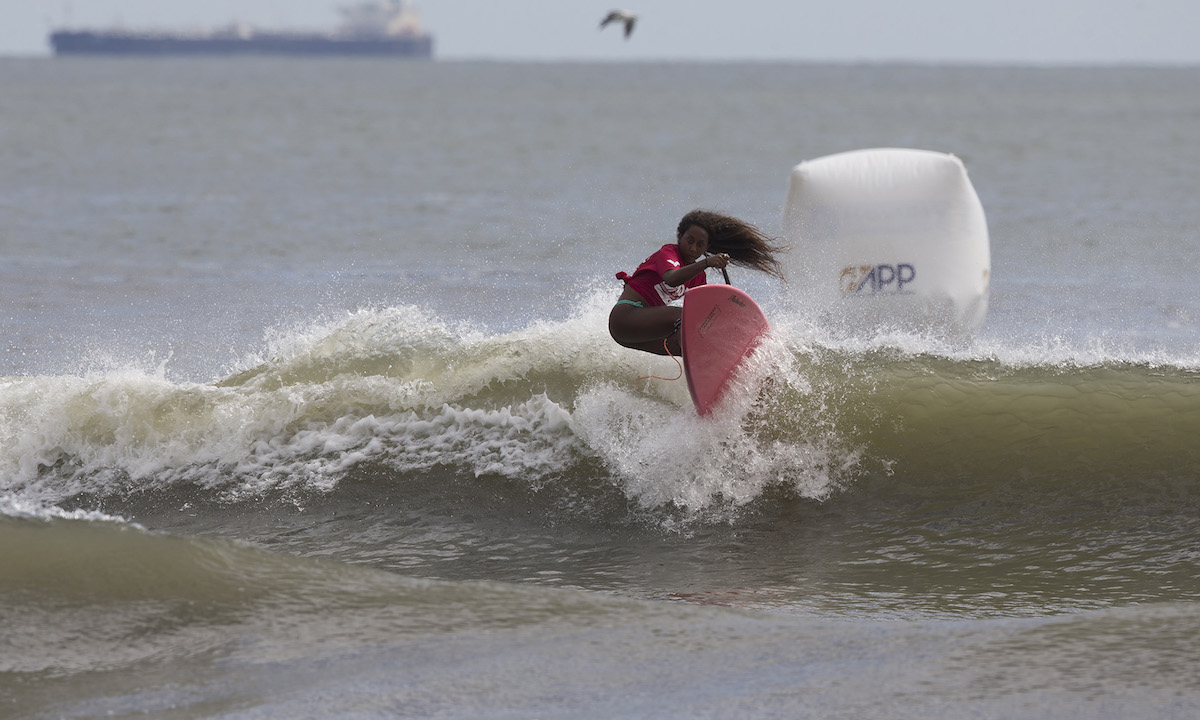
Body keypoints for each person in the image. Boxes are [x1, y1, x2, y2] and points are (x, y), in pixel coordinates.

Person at [609, 209, 786, 356]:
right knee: (687, 318)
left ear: (706, 248)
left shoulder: (698, 276)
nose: (693, 248)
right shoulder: (668, 253)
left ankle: (717, 376)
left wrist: (734, 323)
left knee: (689, 345)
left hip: (634, 337)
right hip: (625, 317)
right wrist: (707, 262)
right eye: (690, 241)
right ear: (680, 236)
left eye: (700, 245)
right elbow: (671, 278)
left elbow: (707, 311)